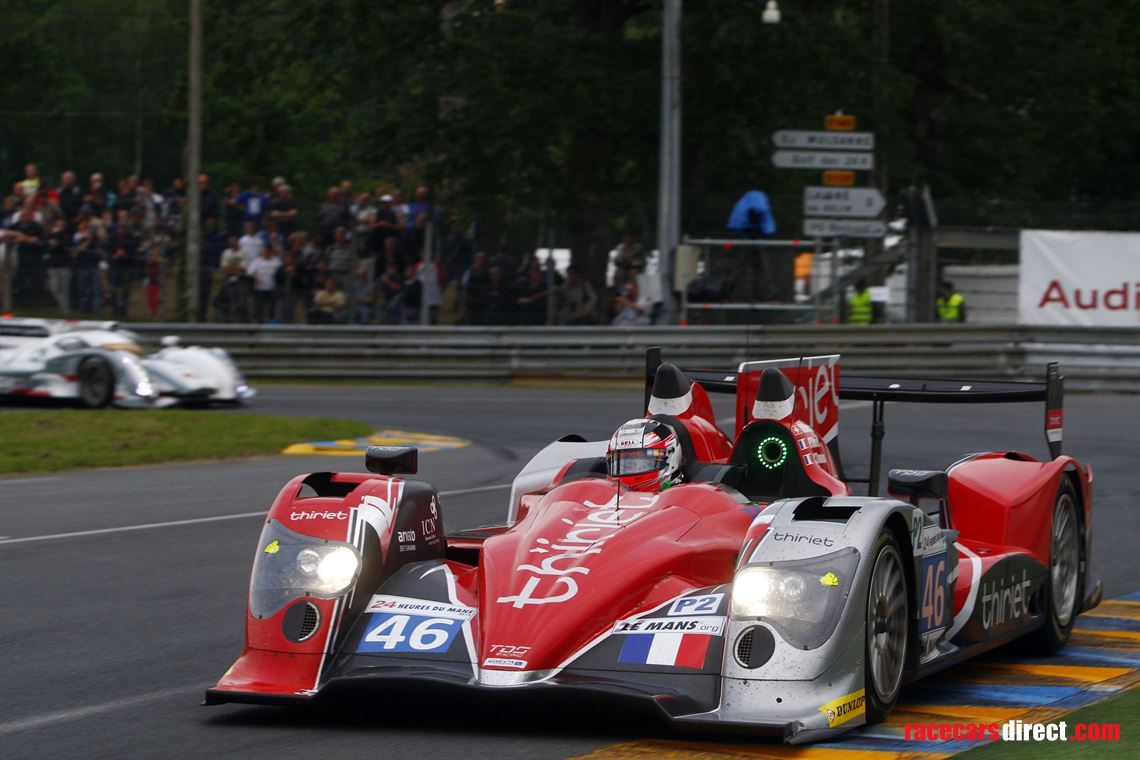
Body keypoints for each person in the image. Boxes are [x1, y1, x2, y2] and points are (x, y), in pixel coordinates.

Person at [605, 418, 684, 491]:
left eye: (642, 465)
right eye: (625, 465)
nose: (631, 469)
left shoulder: (687, 496)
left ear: (670, 459)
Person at [246, 245, 282, 323]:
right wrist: (256, 277)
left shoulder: (277, 261)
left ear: (270, 252)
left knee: (271, 309)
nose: (263, 253)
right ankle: (259, 325)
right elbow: (250, 272)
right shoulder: (257, 261)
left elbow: (281, 273)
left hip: (272, 290)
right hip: (260, 290)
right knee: (260, 309)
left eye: (264, 251)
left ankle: (270, 326)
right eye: (262, 251)